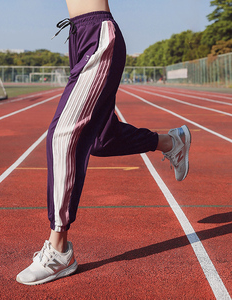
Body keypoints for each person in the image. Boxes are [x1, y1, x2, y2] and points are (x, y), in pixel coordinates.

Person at [16, 0, 191, 285]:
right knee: (100, 138)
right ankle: (171, 143)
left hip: (98, 34)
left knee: (62, 135)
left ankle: (59, 249)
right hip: (80, 35)